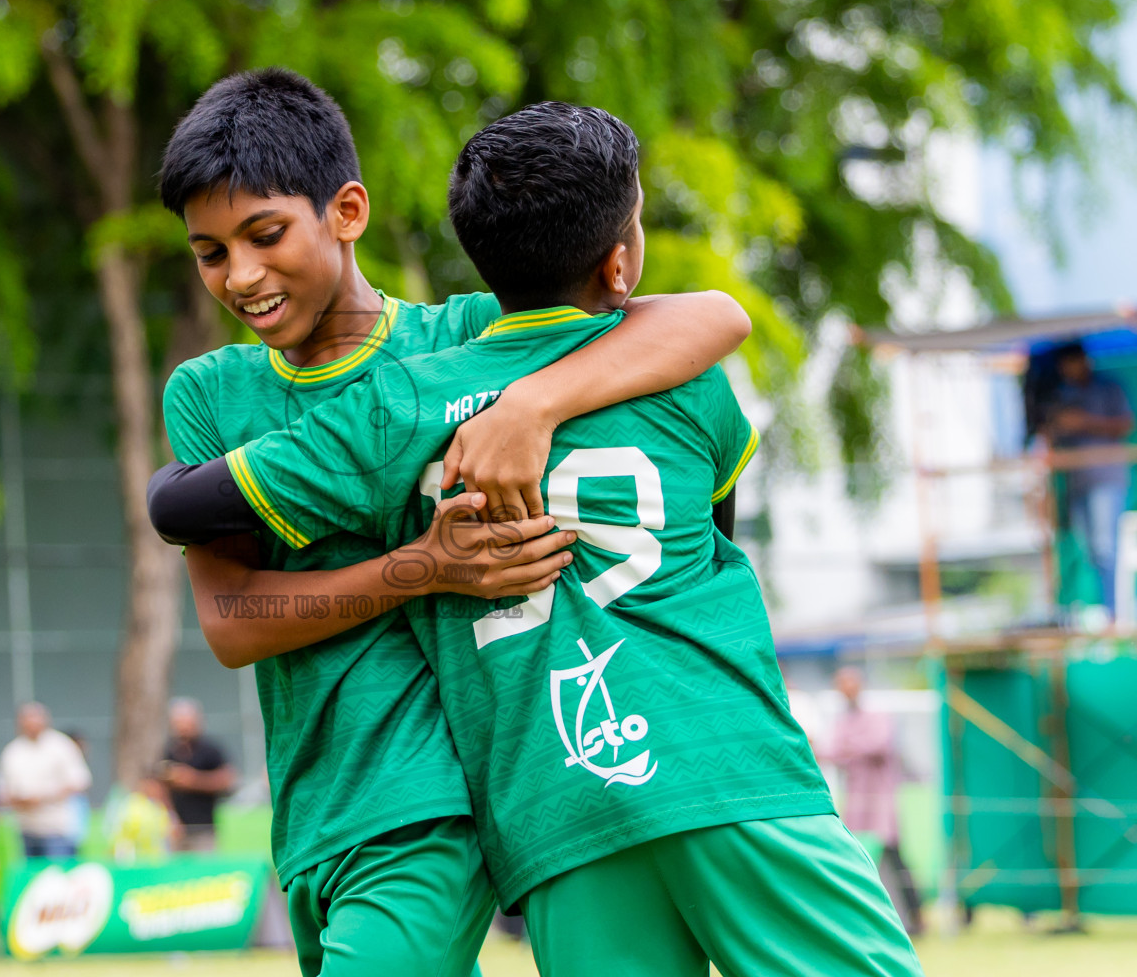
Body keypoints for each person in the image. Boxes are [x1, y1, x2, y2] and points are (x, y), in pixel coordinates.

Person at [152, 102, 924, 976]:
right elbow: (230, 623)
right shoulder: (217, 390)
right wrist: (423, 569)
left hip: (457, 795)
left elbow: (695, 317)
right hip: (381, 798)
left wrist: (533, 404)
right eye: (211, 252)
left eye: (264, 235)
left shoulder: (451, 354)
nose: (241, 274)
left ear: (349, 212)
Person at [825, 667, 923, 936]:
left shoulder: (877, 715)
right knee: (859, 856)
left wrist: (849, 748)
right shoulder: (842, 720)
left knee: (892, 855)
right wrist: (851, 748)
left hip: (880, 798)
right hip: (857, 800)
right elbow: (830, 751)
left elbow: (878, 744)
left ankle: (915, 916)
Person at [1041, 341, 1134, 610]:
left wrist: (1085, 422)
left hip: (1106, 479)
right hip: (1077, 482)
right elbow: (1051, 436)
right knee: (1088, 551)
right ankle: (1097, 614)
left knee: (1105, 548)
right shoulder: (1061, 395)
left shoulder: (1109, 387)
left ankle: (1113, 616)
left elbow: (1124, 424)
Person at [0, 703, 91, 858]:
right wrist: (21, 800)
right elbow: (3, 791)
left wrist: (44, 797)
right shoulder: (13, 752)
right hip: (25, 829)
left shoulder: (61, 745)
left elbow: (80, 781)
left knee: (57, 877)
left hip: (57, 829)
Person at [159, 698, 235, 852]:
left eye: (187, 721)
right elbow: (158, 786)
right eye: (179, 722)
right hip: (175, 830)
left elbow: (227, 779)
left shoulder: (209, 750)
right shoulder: (168, 751)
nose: (183, 727)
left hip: (204, 829)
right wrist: (170, 816)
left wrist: (193, 780)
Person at [105, 774, 181, 864]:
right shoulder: (133, 805)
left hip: (156, 862)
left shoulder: (159, 807)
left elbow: (174, 833)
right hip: (137, 862)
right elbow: (120, 836)